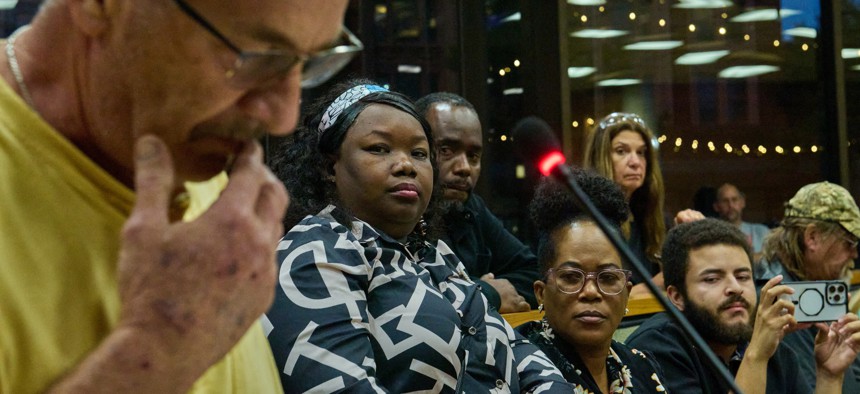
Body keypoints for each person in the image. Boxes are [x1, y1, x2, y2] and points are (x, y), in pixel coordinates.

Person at [0, 0, 355, 392]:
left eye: (310, 62)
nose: (284, 116)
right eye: (255, 57)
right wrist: (161, 346)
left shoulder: (171, 141)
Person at [266, 79, 573, 393]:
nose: (405, 165)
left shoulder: (433, 254)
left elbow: (521, 354)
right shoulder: (314, 251)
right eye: (379, 149)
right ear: (330, 166)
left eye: (419, 153)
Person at [626, 219, 860, 394]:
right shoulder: (654, 350)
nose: (735, 288)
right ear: (676, 296)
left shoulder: (773, 350)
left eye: (743, 276)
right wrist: (756, 356)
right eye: (712, 279)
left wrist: (829, 376)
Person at [517, 172, 668, 393]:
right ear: (541, 293)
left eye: (607, 278)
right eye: (571, 277)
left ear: (626, 292)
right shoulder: (518, 369)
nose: (590, 292)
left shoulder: (641, 366)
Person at [415, 92, 536, 313]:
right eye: (446, 150)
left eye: (473, 156)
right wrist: (487, 292)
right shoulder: (400, 210)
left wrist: (478, 292)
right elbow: (416, 297)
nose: (464, 168)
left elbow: (533, 272)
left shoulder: (471, 206)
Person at [755, 181, 860, 392]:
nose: (854, 254)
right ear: (812, 237)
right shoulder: (780, 299)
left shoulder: (815, 287)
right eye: (848, 243)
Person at [583, 112, 702, 293]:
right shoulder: (584, 222)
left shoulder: (654, 218)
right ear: (600, 158)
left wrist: (683, 239)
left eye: (641, 152)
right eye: (621, 151)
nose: (635, 162)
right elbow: (599, 295)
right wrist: (661, 281)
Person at [713, 183, 771, 260]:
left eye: (734, 200)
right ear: (716, 206)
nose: (731, 205)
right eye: (725, 201)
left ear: (742, 202)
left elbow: (774, 259)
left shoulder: (762, 232)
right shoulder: (712, 234)